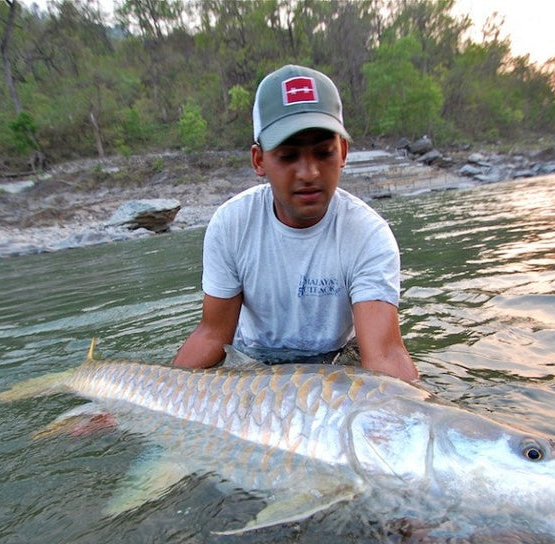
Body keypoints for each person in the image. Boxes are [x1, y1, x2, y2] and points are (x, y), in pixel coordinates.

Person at [173, 64, 418, 382]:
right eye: (288, 156)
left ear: (342, 152)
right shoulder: (231, 225)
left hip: (336, 365)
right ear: (259, 161)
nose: (309, 173)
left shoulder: (369, 235)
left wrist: (430, 409)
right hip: (254, 366)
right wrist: (146, 397)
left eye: (324, 153)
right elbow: (212, 335)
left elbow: (384, 354)